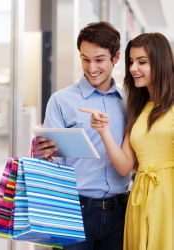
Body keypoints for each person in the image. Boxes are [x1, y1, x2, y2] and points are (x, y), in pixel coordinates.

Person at [32, 21, 131, 250]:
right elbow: (52, 162)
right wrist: (45, 155)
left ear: (115, 58)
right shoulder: (61, 100)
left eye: (99, 60)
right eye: (85, 59)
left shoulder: (129, 101)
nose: (91, 67)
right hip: (75, 211)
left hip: (121, 213)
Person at [80, 32, 174, 250]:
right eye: (131, 61)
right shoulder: (138, 108)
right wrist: (103, 130)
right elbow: (123, 166)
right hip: (140, 198)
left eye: (142, 62)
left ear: (160, 63)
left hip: (168, 197)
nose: (133, 69)